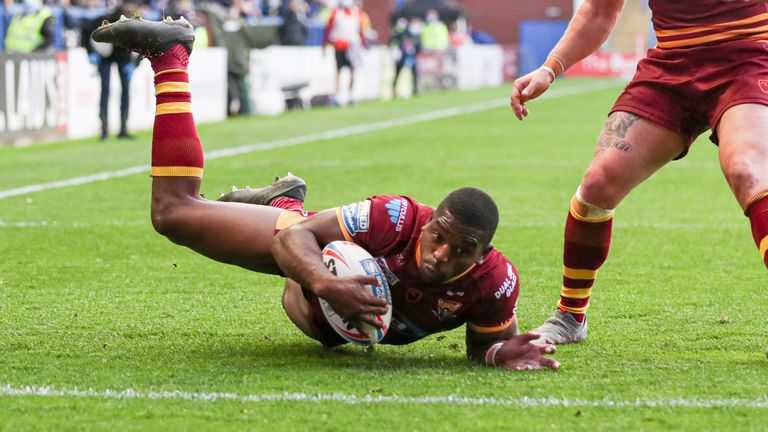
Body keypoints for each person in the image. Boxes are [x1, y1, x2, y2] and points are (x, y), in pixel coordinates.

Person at [91, 16, 560, 371]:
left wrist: (503, 353)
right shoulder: (394, 217)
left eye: (462, 252)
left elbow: (483, 347)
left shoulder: (494, 282)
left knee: (328, 327)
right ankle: (171, 57)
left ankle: (286, 199)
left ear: (482, 256)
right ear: (430, 219)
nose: (441, 255)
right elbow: (291, 242)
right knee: (173, 214)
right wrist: (323, 282)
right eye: (439, 236)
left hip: (327, 324)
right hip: (304, 262)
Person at [511, 0, 768, 345]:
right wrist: (549, 68)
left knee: (747, 170)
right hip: (673, 66)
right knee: (598, 184)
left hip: (750, 58)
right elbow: (600, 12)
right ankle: (570, 315)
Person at [83, 2, 142, 140]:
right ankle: (104, 130)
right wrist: (91, 52)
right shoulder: (107, 19)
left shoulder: (135, 23)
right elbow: (86, 32)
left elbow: (143, 44)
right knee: (105, 90)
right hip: (105, 56)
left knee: (125, 91)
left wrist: (135, 64)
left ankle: (123, 129)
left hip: (123, 57)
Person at [322, 0, 366, 106]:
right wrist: (324, 43)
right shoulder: (336, 12)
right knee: (338, 70)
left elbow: (360, 29)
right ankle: (337, 96)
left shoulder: (357, 13)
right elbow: (328, 29)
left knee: (352, 70)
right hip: (339, 45)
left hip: (352, 45)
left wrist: (364, 43)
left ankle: (351, 95)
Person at [390, 17, 421, 98]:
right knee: (398, 74)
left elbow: (417, 47)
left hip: (411, 57)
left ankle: (414, 90)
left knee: (413, 74)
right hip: (402, 58)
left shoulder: (415, 35)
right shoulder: (402, 34)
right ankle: (394, 90)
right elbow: (395, 44)